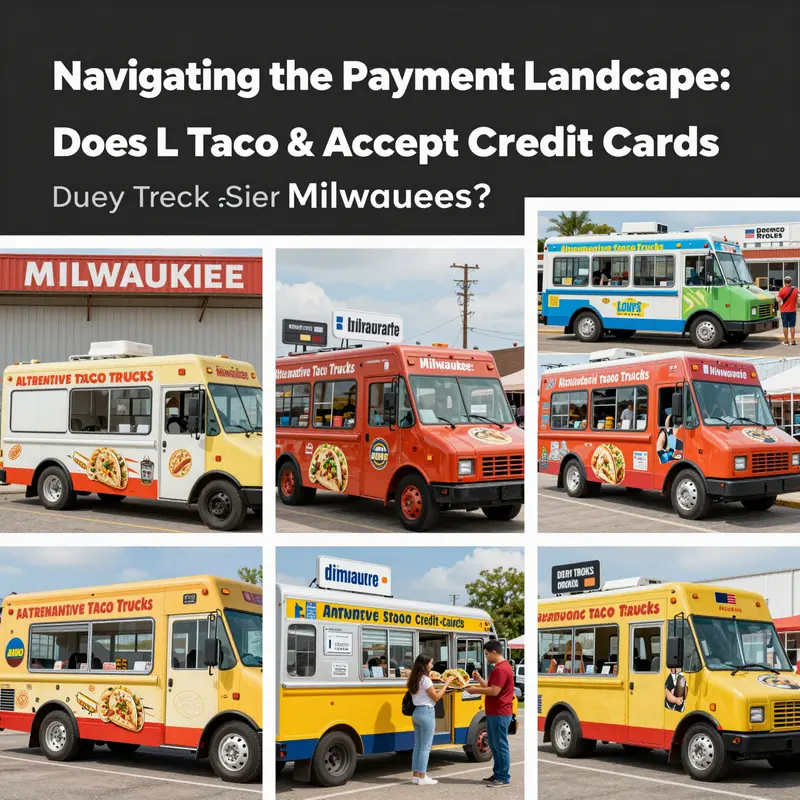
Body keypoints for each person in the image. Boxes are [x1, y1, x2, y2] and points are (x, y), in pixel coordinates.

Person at [465, 640, 515, 788]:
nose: (486, 657)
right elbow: (491, 686)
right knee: (494, 744)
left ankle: (503, 777)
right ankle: (498, 774)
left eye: (486, 654)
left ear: (494, 652)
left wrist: (474, 690)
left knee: (500, 745)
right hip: (495, 712)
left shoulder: (501, 669)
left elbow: (494, 691)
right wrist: (479, 680)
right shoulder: (500, 667)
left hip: (500, 712)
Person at [407, 654, 456, 785]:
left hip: (416, 713)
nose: (432, 665)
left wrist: (446, 691)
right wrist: (447, 683)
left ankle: (416, 776)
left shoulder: (413, 679)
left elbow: (429, 695)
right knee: (426, 747)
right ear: (424, 665)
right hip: (426, 712)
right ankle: (422, 777)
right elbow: (435, 698)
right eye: (430, 663)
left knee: (418, 746)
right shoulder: (426, 680)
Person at [778, 276, 798, 346]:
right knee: (792, 326)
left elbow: (779, 300)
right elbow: (797, 301)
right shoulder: (795, 290)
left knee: (785, 326)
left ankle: (786, 341)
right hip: (792, 310)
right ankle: (792, 340)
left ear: (784, 282)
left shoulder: (781, 290)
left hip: (784, 311)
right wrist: (796, 307)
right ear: (791, 282)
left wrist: (779, 307)